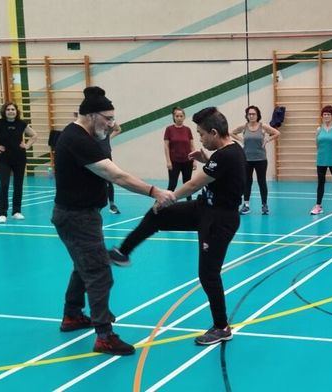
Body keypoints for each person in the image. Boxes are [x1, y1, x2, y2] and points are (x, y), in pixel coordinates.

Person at [52, 86, 174, 356]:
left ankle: (72, 315)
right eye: (107, 118)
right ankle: (104, 336)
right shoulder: (77, 139)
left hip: (81, 215)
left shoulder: (85, 134)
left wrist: (105, 131)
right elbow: (116, 175)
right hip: (76, 217)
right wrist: (154, 191)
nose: (112, 123)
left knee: (83, 266)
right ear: (91, 115)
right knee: (98, 273)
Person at [109, 107, 246, 345]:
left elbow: (192, 186)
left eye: (202, 134)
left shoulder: (228, 155)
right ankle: (123, 252)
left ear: (214, 132)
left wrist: (168, 197)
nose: (200, 138)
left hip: (220, 220)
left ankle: (222, 326)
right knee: (157, 216)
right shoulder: (226, 150)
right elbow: (216, 172)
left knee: (208, 274)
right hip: (205, 209)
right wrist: (206, 159)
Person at [0, 102, 38, 223]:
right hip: (3, 159)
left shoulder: (21, 124)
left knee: (18, 184)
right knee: (4, 184)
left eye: (13, 109)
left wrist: (27, 145)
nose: (11, 111)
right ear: (4, 111)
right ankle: (2, 213)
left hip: (19, 159)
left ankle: (16, 211)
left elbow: (34, 135)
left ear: (16, 111)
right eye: (8, 109)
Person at [231, 105, 280, 215]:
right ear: (247, 116)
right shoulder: (244, 127)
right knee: (247, 182)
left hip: (261, 159)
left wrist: (268, 139)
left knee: (261, 182)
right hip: (247, 159)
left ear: (257, 115)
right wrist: (241, 139)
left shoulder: (263, 126)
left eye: (253, 114)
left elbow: (277, 133)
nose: (251, 116)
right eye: (249, 114)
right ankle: (246, 205)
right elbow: (231, 133)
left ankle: (264, 205)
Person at [164, 107, 196, 201]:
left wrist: (194, 160)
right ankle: (162, 204)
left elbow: (192, 146)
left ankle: (189, 204)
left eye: (181, 116)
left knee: (188, 185)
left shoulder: (187, 130)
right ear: (174, 117)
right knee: (172, 185)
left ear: (184, 117)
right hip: (174, 162)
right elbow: (166, 146)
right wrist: (168, 161)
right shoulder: (169, 129)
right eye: (177, 116)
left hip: (187, 162)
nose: (179, 118)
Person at [99, 121, 122, 214]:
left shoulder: (107, 137)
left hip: (108, 161)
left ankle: (112, 205)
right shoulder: (93, 138)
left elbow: (118, 129)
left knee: (110, 182)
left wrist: (111, 120)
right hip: (97, 162)